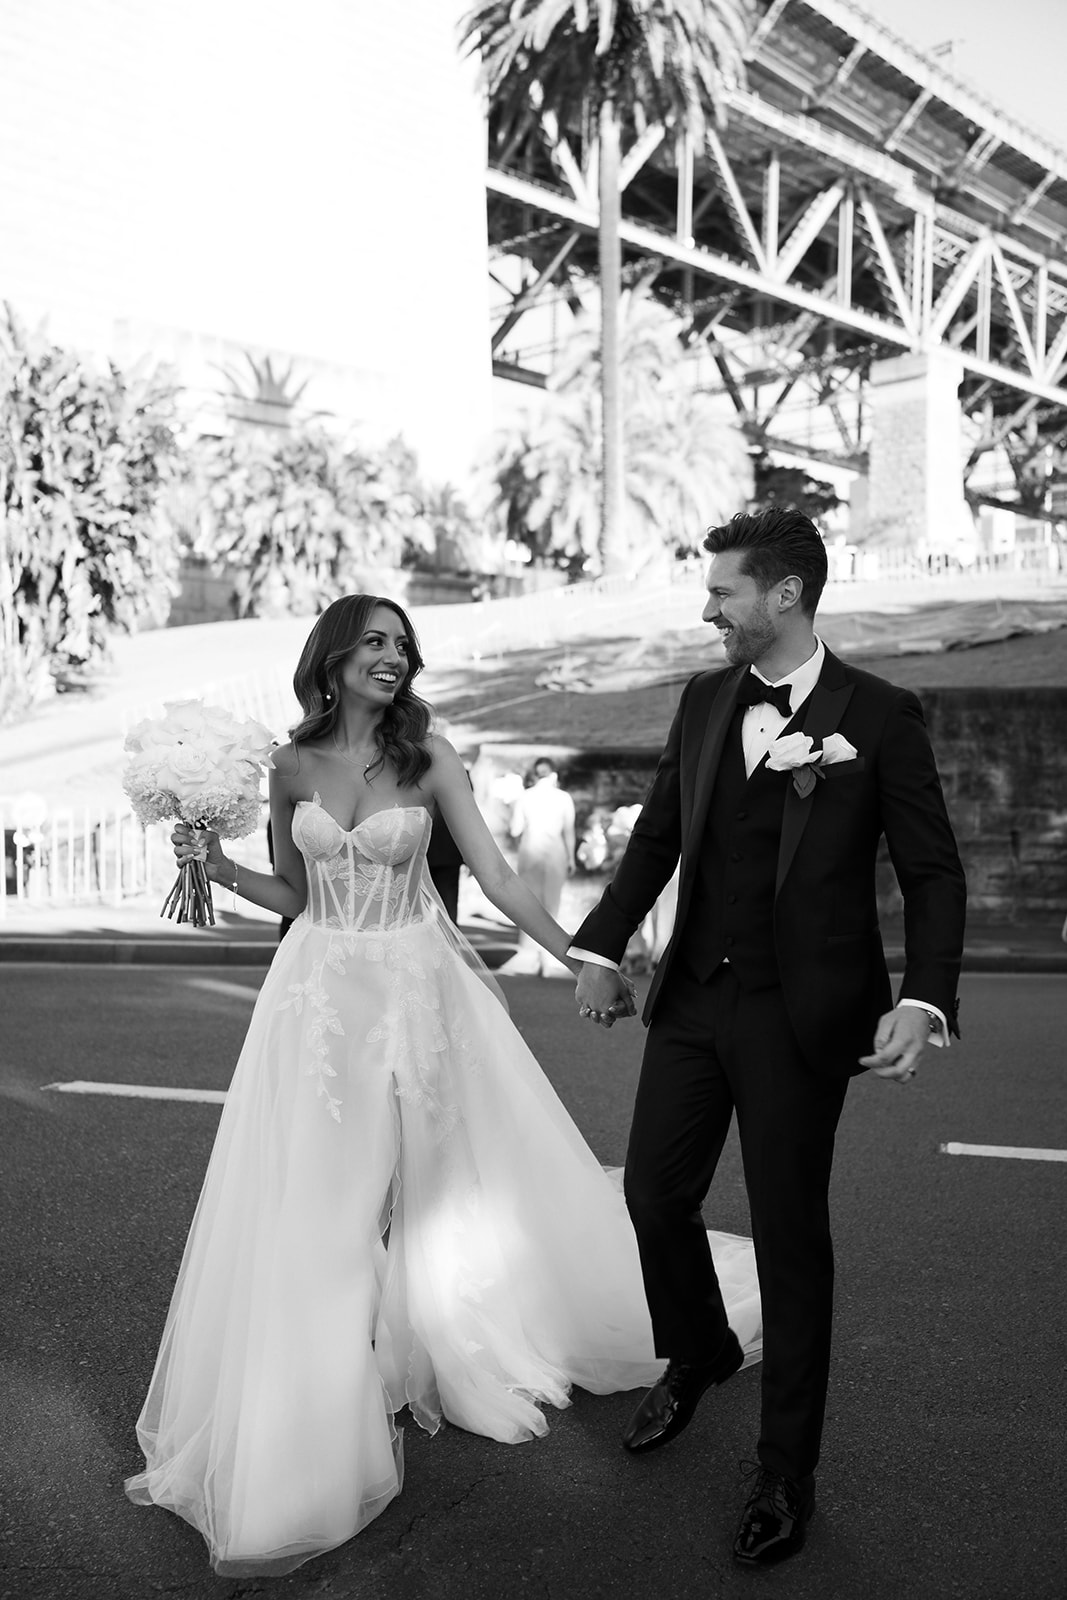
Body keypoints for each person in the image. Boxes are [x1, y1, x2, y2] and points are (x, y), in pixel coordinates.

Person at [124, 593, 763, 1577]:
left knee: (440, 1191)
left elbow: (498, 879)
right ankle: (315, 1417)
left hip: (415, 993)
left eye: (401, 644)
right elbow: (292, 895)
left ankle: (436, 1345)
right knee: (324, 1209)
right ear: (331, 658)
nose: (393, 656)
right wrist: (212, 863)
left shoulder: (428, 756)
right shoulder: (289, 766)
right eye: (373, 642)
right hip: (317, 1000)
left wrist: (584, 956)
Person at [570, 509, 967, 1569]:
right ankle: (700, 1346)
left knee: (789, 1237)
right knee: (651, 1193)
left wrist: (922, 1000)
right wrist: (600, 947)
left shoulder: (876, 714)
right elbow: (658, 835)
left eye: (723, 591)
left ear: (783, 594)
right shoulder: (705, 700)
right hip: (694, 997)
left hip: (804, 1015)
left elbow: (931, 872)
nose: (708, 608)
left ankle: (784, 1470)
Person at [497, 756, 576, 976]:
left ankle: (529, 952)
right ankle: (551, 952)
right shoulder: (564, 798)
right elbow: (568, 831)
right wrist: (571, 858)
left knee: (530, 902)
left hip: (530, 850)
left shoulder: (525, 797)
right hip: (555, 852)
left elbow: (515, 829)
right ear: (554, 774)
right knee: (552, 902)